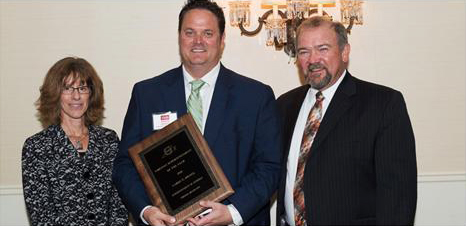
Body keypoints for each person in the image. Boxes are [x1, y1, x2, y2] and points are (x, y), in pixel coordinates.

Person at [112, 0, 281, 225]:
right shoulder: (147, 94)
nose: (198, 41)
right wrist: (146, 210)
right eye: (189, 32)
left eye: (208, 33)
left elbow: (269, 167)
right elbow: (125, 165)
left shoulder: (256, 96)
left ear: (222, 40)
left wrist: (232, 212)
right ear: (179, 37)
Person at [276, 16, 417, 225]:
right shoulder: (285, 105)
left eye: (322, 48)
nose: (313, 59)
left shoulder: (383, 104)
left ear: (344, 52)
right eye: (304, 51)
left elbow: (398, 194)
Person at [22, 57, 128, 225]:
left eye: (82, 88)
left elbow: (119, 203)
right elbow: (41, 215)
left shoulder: (109, 140)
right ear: (55, 94)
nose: (76, 96)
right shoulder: (37, 147)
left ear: (91, 93)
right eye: (67, 88)